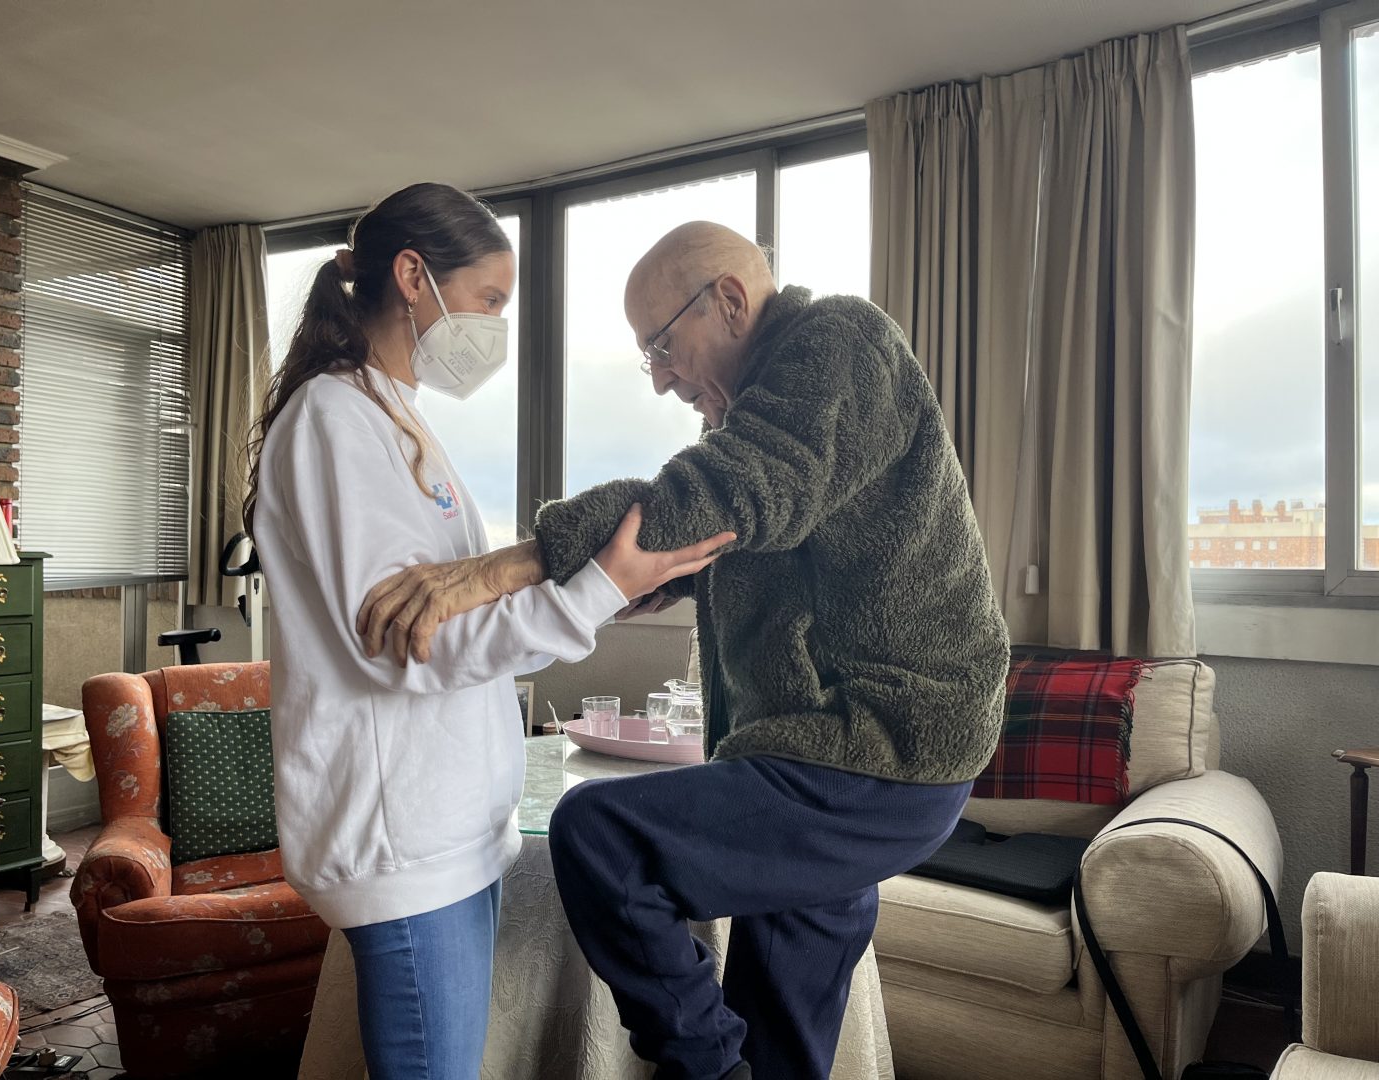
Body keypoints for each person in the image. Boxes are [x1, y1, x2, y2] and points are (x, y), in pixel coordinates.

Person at [356, 221, 1010, 1080]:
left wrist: (493, 569)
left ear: (730, 301)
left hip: (880, 744)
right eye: (649, 360)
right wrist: (620, 583)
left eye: (663, 348)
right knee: (782, 1042)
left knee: (598, 838)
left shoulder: (840, 342)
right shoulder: (769, 415)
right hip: (821, 746)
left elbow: (721, 495)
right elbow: (719, 542)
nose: (661, 380)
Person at [244, 186, 733, 1080]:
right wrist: (591, 589)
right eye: (492, 300)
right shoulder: (333, 420)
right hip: (403, 844)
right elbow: (409, 641)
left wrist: (605, 590)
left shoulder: (398, 419)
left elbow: (462, 610)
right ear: (411, 275)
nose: (497, 327)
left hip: (452, 831)